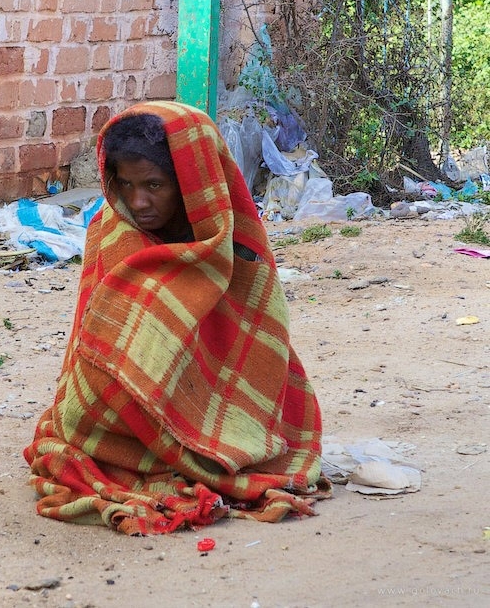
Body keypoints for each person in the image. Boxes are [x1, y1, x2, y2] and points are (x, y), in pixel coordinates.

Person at [23, 101, 330, 535]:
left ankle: (201, 447)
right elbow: (94, 346)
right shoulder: (111, 234)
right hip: (129, 417)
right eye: (125, 184)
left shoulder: (237, 244)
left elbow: (260, 339)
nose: (138, 201)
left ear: (191, 181)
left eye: (154, 184)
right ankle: (155, 446)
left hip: (213, 395)